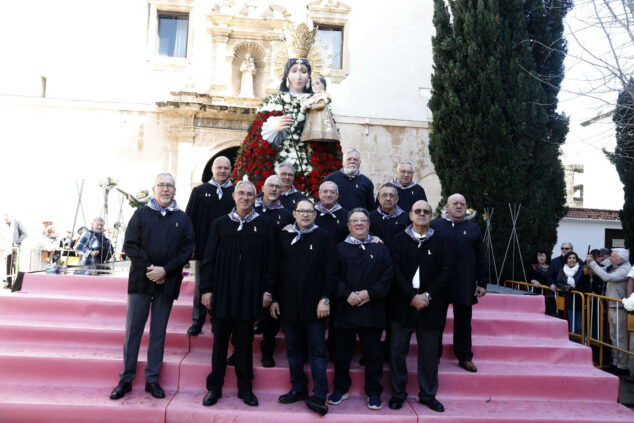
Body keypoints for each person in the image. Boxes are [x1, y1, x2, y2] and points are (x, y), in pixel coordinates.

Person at [110, 172, 194, 400]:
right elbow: (130, 245)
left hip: (167, 282)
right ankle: (126, 379)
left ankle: (152, 380)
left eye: (169, 186)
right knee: (133, 332)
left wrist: (165, 270)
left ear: (175, 191)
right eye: (161, 185)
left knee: (158, 333)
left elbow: (187, 250)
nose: (165, 189)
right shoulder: (141, 214)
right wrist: (151, 269)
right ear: (154, 189)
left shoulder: (183, 219)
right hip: (141, 281)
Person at [232, 32, 342, 197]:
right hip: (278, 166)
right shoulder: (274, 101)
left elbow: (328, 135)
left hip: (309, 166)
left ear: (310, 76)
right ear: (287, 74)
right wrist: (275, 126)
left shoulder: (318, 101)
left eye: (303, 71)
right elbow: (258, 138)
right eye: (294, 71)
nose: (299, 76)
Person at [200, 180, 275, 407]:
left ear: (255, 197)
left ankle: (245, 389)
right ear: (234, 196)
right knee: (219, 344)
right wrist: (206, 290)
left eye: (249, 194)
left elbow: (271, 262)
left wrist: (268, 290)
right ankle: (215, 388)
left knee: (244, 343)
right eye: (241, 193)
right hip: (222, 293)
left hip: (249, 294)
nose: (244, 197)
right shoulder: (220, 224)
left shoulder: (265, 225)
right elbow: (209, 260)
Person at [270, 199, 336, 416]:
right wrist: (275, 299)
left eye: (310, 211)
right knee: (293, 351)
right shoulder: (284, 236)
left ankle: (319, 394)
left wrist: (325, 298)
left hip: (315, 307)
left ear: (315, 214)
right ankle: (297, 388)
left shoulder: (324, 237)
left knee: (317, 351)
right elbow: (275, 269)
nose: (306, 215)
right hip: (288, 306)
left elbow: (331, 271)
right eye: (302, 211)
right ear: (294, 213)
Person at [388, 200, 451, 412]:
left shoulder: (441, 242)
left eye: (426, 211)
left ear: (431, 216)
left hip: (431, 306)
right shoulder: (398, 240)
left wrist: (428, 295)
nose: (422, 214)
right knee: (397, 353)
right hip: (402, 305)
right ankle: (397, 393)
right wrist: (411, 296)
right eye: (418, 211)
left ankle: (428, 394)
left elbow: (446, 272)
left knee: (430, 354)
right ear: (410, 215)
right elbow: (394, 271)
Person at [328, 208, 392, 410]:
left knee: (374, 355)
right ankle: (340, 388)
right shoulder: (338, 249)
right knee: (342, 353)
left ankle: (373, 392)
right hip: (345, 309)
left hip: (371, 309)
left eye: (363, 220)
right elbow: (331, 276)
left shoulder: (381, 249)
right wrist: (347, 294)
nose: (359, 224)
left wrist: (369, 294)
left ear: (369, 224)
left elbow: (388, 276)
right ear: (348, 225)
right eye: (354, 221)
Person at [430, 194, 487, 373]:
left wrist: (482, 282)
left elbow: (481, 257)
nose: (459, 206)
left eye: (462, 203)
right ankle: (434, 355)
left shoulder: (474, 229)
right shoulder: (435, 226)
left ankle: (464, 357)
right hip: (440, 282)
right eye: (455, 203)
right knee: (437, 320)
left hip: (465, 282)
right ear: (446, 207)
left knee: (464, 321)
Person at [185, 156, 235, 336]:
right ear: (212, 169)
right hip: (204, 248)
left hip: (228, 250)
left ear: (231, 170)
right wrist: (190, 246)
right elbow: (188, 219)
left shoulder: (236, 192)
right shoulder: (199, 191)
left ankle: (216, 320)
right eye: (219, 167)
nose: (222, 171)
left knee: (222, 286)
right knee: (201, 286)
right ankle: (197, 320)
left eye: (226, 168)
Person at [252, 174, 293, 367]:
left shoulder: (286, 214)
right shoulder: (251, 208)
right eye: (271, 186)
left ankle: (267, 352)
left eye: (278, 187)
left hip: (275, 267)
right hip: (251, 267)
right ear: (263, 187)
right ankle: (238, 351)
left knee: (271, 312)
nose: (274, 190)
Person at [586, 248, 632, 376]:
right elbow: (601, 270)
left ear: (621, 259)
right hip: (612, 305)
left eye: (612, 256)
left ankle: (623, 366)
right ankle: (616, 363)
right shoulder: (615, 265)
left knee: (620, 338)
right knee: (613, 336)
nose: (609, 258)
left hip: (619, 307)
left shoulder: (625, 269)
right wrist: (591, 262)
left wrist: (593, 264)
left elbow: (607, 277)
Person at [369, 183, 410, 253]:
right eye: (384, 195)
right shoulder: (370, 217)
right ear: (379, 198)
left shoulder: (406, 218)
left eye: (391, 195)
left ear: (396, 199)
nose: (388, 199)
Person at [299, 76, 340, 144]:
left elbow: (322, 105)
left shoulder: (324, 95)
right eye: (313, 84)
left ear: (323, 85)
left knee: (321, 129)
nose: (314, 86)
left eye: (317, 83)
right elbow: (306, 109)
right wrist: (306, 108)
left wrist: (311, 107)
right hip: (312, 119)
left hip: (321, 117)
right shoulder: (312, 98)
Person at [555, 251, 587, 336]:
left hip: (580, 300)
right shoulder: (562, 269)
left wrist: (571, 287)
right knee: (572, 324)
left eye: (574, 258)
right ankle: (573, 342)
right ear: (566, 260)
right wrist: (565, 287)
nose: (572, 260)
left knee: (579, 326)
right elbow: (559, 282)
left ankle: (579, 344)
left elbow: (579, 281)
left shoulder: (581, 269)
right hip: (569, 300)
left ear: (577, 260)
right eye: (569, 258)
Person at [528, 250, 556, 316]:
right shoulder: (533, 267)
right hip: (535, 293)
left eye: (543, 256)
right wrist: (533, 280)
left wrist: (553, 284)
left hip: (549, 295)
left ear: (547, 257)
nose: (541, 258)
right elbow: (528, 277)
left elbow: (554, 278)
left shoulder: (551, 267)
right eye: (539, 256)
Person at [4, 213, 27, 287]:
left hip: (15, 248)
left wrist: (17, 241)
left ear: (11, 216)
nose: (5, 218)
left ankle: (17, 283)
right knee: (8, 265)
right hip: (7, 248)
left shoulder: (17, 222)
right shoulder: (6, 224)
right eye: (5, 216)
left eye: (7, 216)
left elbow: (25, 233)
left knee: (15, 264)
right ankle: (9, 282)